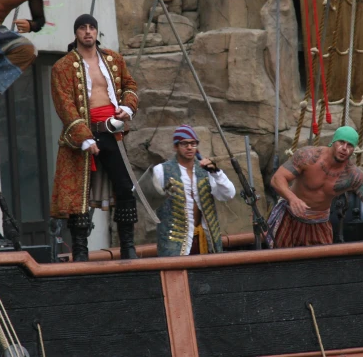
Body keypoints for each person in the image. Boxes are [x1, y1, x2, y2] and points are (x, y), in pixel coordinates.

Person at [50, 15, 140, 261]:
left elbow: (130, 86)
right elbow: (64, 104)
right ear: (76, 33)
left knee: (125, 187)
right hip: (81, 137)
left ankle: (128, 248)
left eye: (91, 28)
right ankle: (80, 252)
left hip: (112, 133)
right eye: (82, 28)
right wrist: (84, 137)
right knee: (80, 195)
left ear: (96, 32)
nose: (88, 32)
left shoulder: (113, 59)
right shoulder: (63, 66)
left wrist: (127, 108)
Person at [267, 126, 363, 247]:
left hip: (318, 222)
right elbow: (277, 178)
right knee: (280, 261)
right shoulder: (308, 156)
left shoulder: (353, 175)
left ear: (353, 150)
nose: (344, 148)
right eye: (341, 142)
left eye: (350, 145)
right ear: (333, 142)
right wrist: (292, 198)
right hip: (290, 216)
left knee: (322, 267)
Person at [150, 125, 236, 257]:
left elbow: (229, 194)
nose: (189, 147)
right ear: (176, 146)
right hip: (173, 241)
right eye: (184, 144)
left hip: (205, 239)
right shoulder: (161, 170)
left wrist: (216, 172)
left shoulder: (206, 170)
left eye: (193, 143)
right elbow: (143, 198)